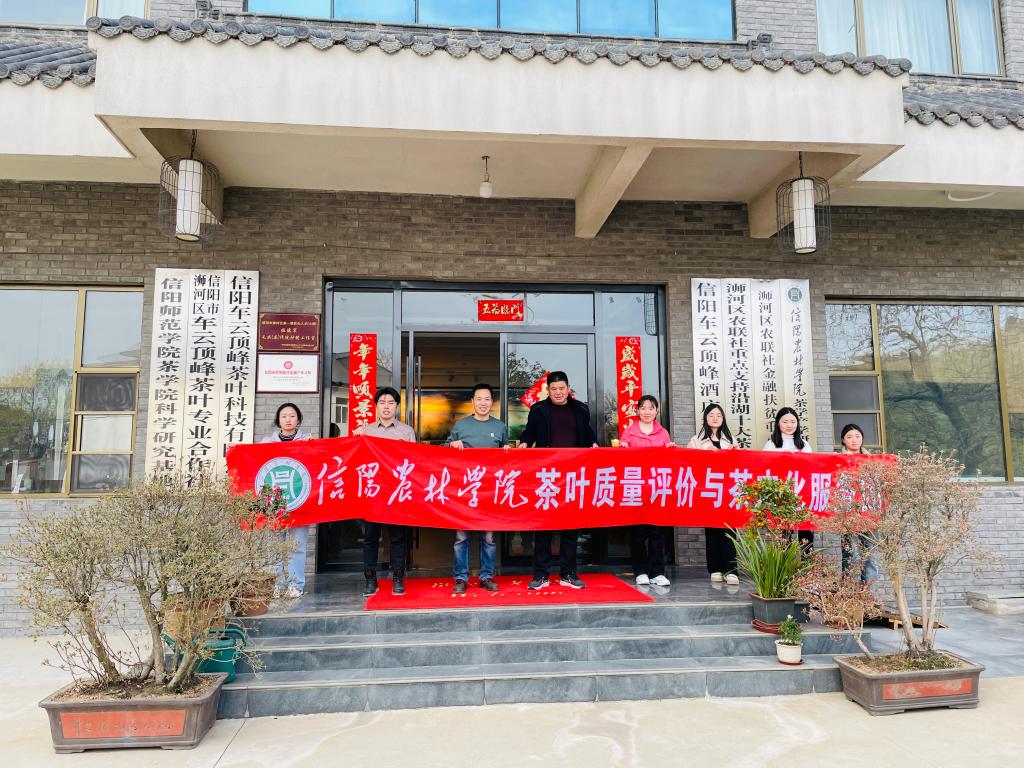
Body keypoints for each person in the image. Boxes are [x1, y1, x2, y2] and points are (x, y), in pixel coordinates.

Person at [518, 371, 599, 591]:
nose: (558, 392)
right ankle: (541, 574)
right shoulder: (538, 410)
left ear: (568, 388)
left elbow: (587, 433)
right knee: (544, 526)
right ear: (548, 390)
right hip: (548, 475)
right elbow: (529, 433)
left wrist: (593, 443)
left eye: (561, 388)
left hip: (573, 475)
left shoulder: (580, 409)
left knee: (571, 527)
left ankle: (568, 573)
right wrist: (524, 443)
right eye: (553, 389)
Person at [446, 383, 510, 595]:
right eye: (479, 399)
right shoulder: (461, 425)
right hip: (465, 491)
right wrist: (452, 445)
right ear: (472, 401)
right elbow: (444, 451)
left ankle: (486, 577)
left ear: (492, 402)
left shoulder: (500, 427)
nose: (483, 403)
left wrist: (508, 450)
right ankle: (461, 577)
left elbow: (507, 457)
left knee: (488, 538)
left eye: (487, 399)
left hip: (489, 491)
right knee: (461, 538)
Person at [354, 386, 416, 597]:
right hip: (373, 493)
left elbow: (414, 461)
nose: (386, 407)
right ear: (376, 406)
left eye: (390, 403)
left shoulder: (406, 432)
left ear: (397, 406)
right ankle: (370, 579)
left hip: (397, 492)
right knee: (371, 537)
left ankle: (398, 577)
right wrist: (356, 439)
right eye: (382, 403)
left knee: (397, 537)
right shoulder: (366, 431)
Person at [619, 394, 674, 587]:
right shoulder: (629, 432)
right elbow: (621, 461)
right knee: (638, 533)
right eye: (643, 408)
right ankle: (640, 571)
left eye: (651, 408)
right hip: (636, 488)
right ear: (637, 411)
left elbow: (668, 462)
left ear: (657, 411)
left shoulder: (663, 433)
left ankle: (657, 572)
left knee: (657, 533)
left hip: (656, 489)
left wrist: (671, 451)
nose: (647, 412)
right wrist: (622, 449)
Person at [260, 403, 313, 598]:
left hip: (299, 501)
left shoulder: (307, 441)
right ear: (278, 420)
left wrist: (312, 447)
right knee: (275, 546)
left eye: (292, 415)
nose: (288, 419)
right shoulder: (267, 443)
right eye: (284, 416)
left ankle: (296, 584)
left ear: (298, 419)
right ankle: (276, 584)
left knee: (297, 546)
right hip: (275, 504)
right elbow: (253, 460)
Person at [687, 403, 740, 586]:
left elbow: (739, 465)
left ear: (723, 418)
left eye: (719, 415)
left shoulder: (730, 439)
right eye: (711, 415)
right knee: (711, 530)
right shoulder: (696, 440)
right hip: (708, 490)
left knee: (729, 530)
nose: (715, 418)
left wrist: (733, 453)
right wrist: (706, 455)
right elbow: (689, 463)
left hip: (727, 490)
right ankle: (715, 569)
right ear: (705, 418)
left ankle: (731, 570)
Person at [762, 406, 814, 548]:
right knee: (784, 535)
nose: (789, 425)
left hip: (802, 495)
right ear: (778, 424)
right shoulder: (771, 445)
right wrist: (782, 458)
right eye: (785, 422)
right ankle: (786, 562)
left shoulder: (804, 445)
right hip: (780, 496)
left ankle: (807, 562)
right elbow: (765, 469)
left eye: (792, 421)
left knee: (805, 534)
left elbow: (810, 468)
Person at [838, 423, 878, 583]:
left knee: (869, 554)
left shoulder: (872, 460)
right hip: (847, 513)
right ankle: (847, 591)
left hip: (869, 513)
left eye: (857, 436)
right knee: (849, 554)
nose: (854, 440)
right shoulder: (837, 460)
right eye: (849, 437)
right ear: (843, 440)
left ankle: (868, 592)